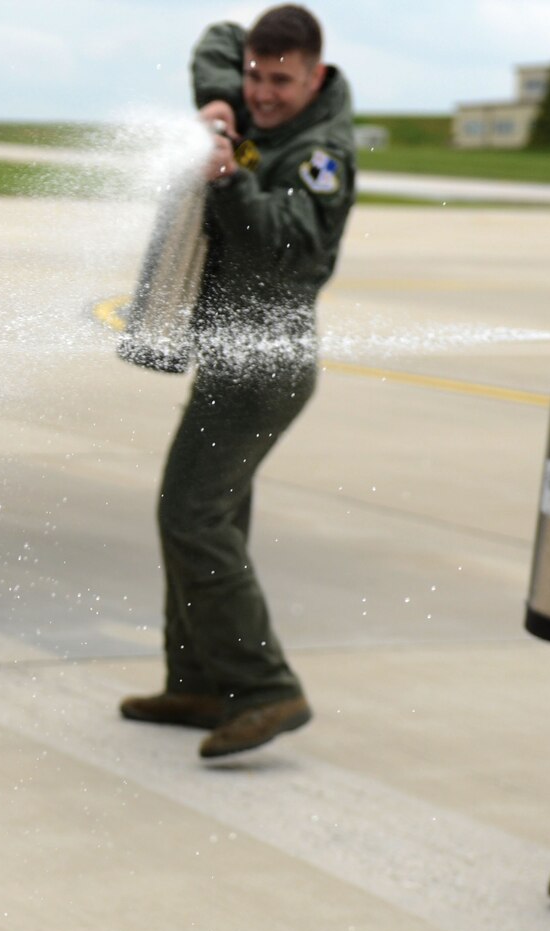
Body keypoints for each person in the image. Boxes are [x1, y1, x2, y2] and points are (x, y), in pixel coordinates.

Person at [118, 4, 356, 760]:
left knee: (192, 514)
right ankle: (197, 680)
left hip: (266, 366)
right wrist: (221, 101)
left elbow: (295, 250)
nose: (263, 93)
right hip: (232, 358)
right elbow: (218, 37)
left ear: (315, 77)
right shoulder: (255, 102)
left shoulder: (322, 154)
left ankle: (262, 685)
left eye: (281, 81)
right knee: (202, 513)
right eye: (256, 76)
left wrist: (230, 183)